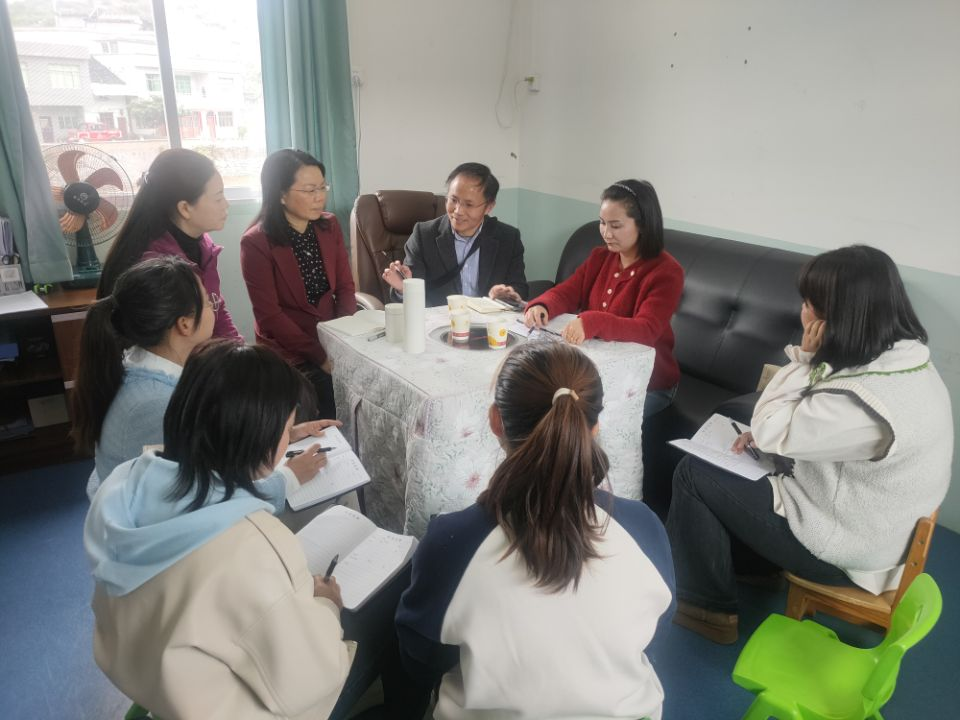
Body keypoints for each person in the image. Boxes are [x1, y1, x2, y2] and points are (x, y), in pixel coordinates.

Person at [666, 245, 953, 644]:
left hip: (847, 550)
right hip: (874, 523)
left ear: (837, 316)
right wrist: (772, 436)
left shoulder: (865, 409)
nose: (802, 311)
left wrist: (804, 359)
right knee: (749, 457)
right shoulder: (903, 360)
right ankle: (756, 568)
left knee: (695, 474)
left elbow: (773, 426)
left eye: (807, 304)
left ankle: (707, 608)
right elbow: (808, 427)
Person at [396, 342, 675, 720]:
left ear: (495, 421)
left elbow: (421, 657)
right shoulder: (644, 527)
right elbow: (655, 633)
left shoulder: (452, 542)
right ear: (593, 428)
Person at [84, 341, 357, 719]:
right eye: (285, 429)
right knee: (370, 624)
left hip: (151, 677)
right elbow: (309, 681)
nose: (287, 436)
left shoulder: (125, 484)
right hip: (218, 706)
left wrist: (277, 434)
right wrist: (326, 604)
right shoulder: (252, 546)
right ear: (259, 439)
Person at [74, 257, 330, 508]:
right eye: (208, 302)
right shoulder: (155, 404)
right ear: (184, 324)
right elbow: (209, 495)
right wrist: (288, 479)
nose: (214, 308)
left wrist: (279, 433)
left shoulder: (149, 368)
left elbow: (211, 447)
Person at [523, 179, 684, 417]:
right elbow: (567, 292)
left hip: (647, 383)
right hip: (595, 374)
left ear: (643, 225)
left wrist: (592, 321)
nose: (606, 233)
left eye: (616, 226)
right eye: (602, 222)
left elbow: (647, 330)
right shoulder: (600, 257)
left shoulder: (667, 272)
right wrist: (542, 305)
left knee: (585, 424)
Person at [241, 149, 356, 420]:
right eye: (309, 190)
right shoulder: (256, 242)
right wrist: (320, 355)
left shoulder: (329, 225)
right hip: (289, 349)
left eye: (322, 187)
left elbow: (345, 287)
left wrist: (343, 338)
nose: (319, 197)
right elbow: (270, 316)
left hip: (332, 337)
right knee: (322, 400)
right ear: (281, 194)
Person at [97, 148, 242, 340]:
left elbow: (215, 306)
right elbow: (174, 345)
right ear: (185, 208)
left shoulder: (203, 244)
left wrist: (237, 348)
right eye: (218, 198)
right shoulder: (159, 269)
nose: (226, 204)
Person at [381, 162, 528, 308]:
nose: (458, 211)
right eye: (453, 200)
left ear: (488, 207)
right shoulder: (424, 236)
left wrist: (508, 295)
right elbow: (412, 298)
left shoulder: (508, 238)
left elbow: (520, 288)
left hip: (489, 320)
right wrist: (403, 289)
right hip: (441, 320)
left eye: (469, 205)